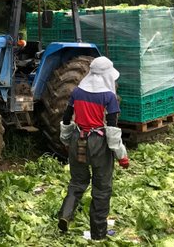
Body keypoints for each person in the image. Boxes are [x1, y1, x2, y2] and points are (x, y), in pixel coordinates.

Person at [57, 56, 129, 240]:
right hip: (98, 143)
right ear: (106, 75)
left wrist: (66, 140)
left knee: (77, 182)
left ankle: (65, 215)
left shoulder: (77, 92)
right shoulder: (109, 97)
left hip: (77, 138)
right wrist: (122, 155)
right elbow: (112, 129)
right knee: (101, 188)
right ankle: (98, 234)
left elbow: (66, 117)